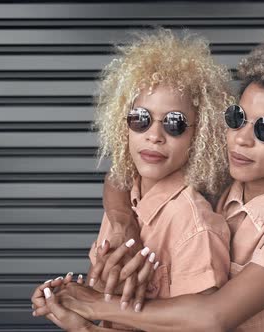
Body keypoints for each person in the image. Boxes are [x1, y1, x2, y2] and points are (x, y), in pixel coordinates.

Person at [35, 31, 264, 332]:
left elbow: (212, 318)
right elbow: (123, 176)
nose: (241, 139)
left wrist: (92, 304)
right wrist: (126, 230)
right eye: (237, 118)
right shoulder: (226, 171)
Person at [30, 29, 235, 331]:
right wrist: (69, 303)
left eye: (174, 124)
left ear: (199, 135)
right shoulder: (126, 201)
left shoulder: (196, 227)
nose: (154, 135)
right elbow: (107, 306)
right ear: (122, 124)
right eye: (140, 118)